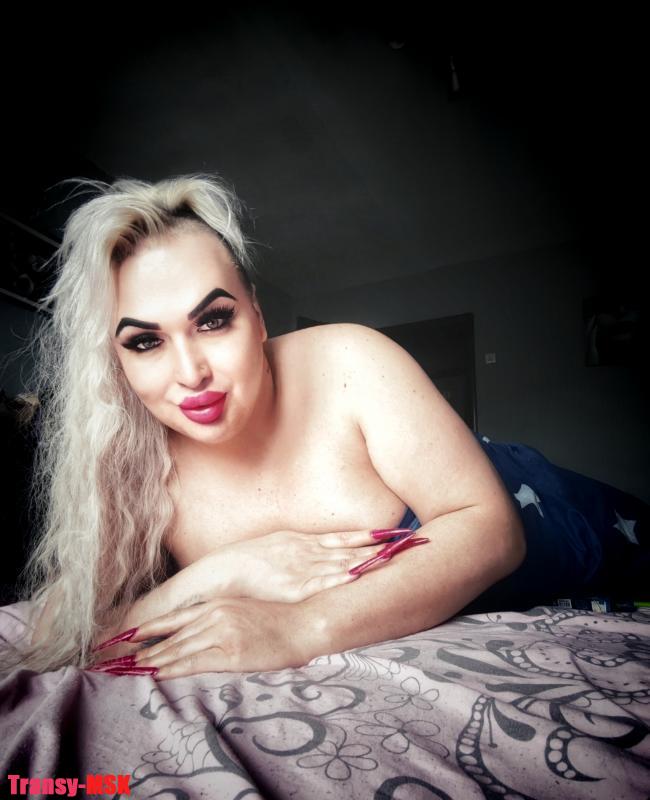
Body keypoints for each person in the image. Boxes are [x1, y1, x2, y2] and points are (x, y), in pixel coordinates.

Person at [1, 173, 647, 681]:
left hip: (543, 508)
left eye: (213, 320)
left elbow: (492, 530)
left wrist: (299, 628)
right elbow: (59, 631)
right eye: (145, 342)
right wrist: (219, 573)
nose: (191, 372)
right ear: (116, 361)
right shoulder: (136, 463)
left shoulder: (348, 358)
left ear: (256, 317)